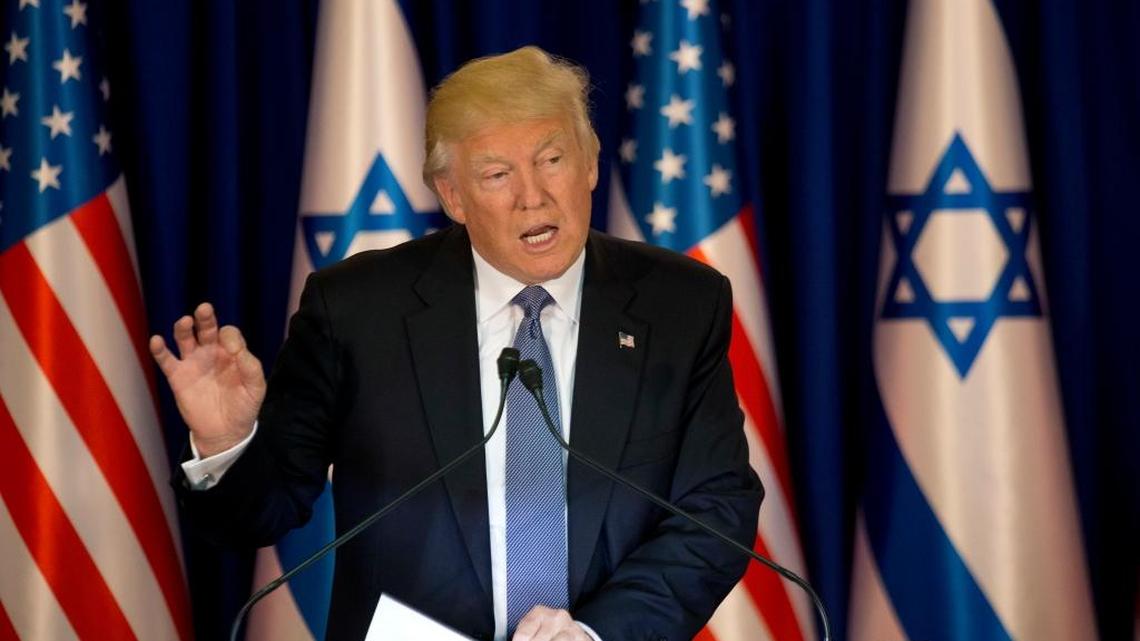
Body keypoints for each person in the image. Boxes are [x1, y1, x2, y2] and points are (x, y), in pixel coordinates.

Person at [152, 46, 762, 641]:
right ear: (453, 196)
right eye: (498, 174)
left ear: (592, 163)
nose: (534, 196)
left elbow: (715, 511)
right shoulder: (359, 310)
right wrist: (228, 443)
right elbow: (263, 512)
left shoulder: (678, 305)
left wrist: (597, 632)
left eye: (553, 160)